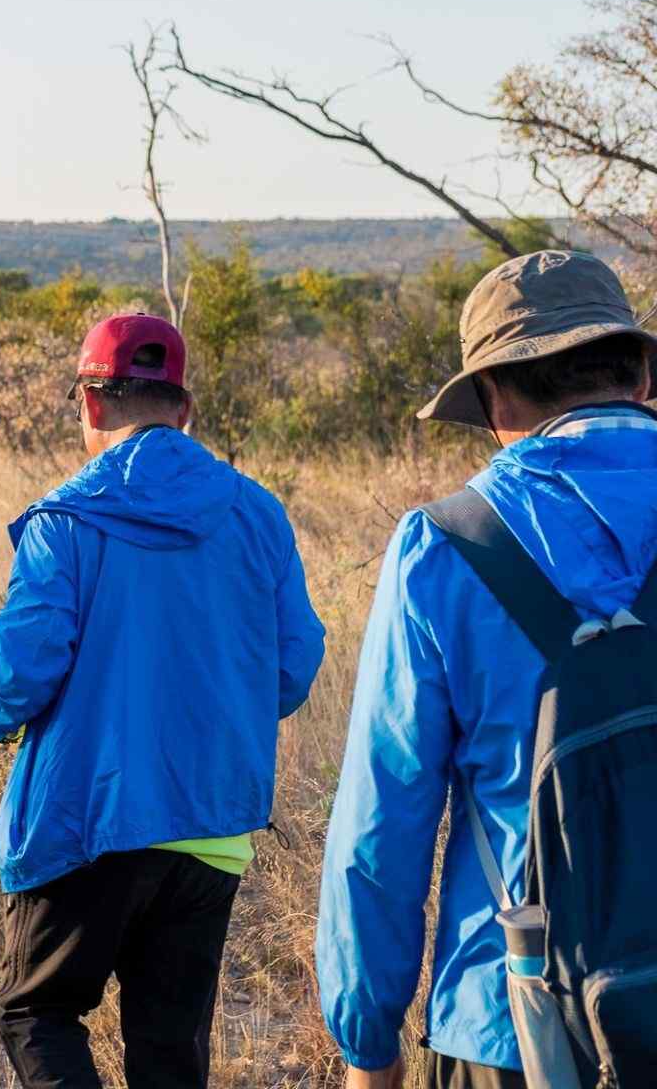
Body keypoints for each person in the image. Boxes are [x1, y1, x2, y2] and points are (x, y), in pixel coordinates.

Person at [0, 312, 325, 1089]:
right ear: (184, 410)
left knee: (38, 1016)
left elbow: (17, 683)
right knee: (170, 1052)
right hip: (214, 831)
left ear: (89, 404)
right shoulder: (258, 513)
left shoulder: (66, 521)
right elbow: (292, 669)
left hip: (89, 823)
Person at [317, 251, 657, 1089]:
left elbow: (381, 827)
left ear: (496, 396)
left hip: (520, 1022)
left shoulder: (446, 546)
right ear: (643, 372)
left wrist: (369, 1042)